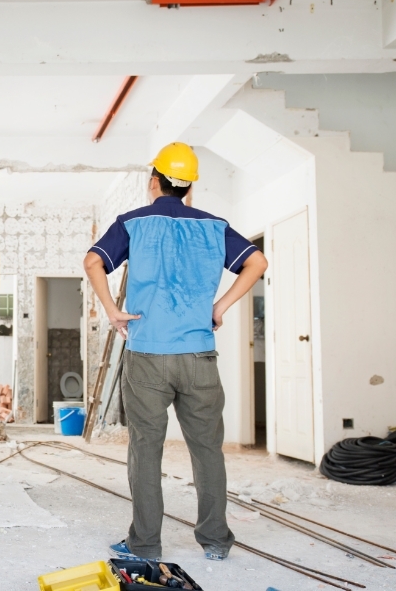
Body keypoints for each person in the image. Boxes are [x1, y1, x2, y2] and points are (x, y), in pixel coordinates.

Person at [83, 142, 268, 562]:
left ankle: (145, 545)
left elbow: (93, 261)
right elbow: (256, 263)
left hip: (147, 354)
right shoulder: (214, 226)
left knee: (146, 450)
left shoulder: (133, 223)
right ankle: (216, 542)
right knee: (207, 450)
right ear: (189, 189)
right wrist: (218, 307)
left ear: (154, 182)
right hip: (200, 355)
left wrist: (113, 311)